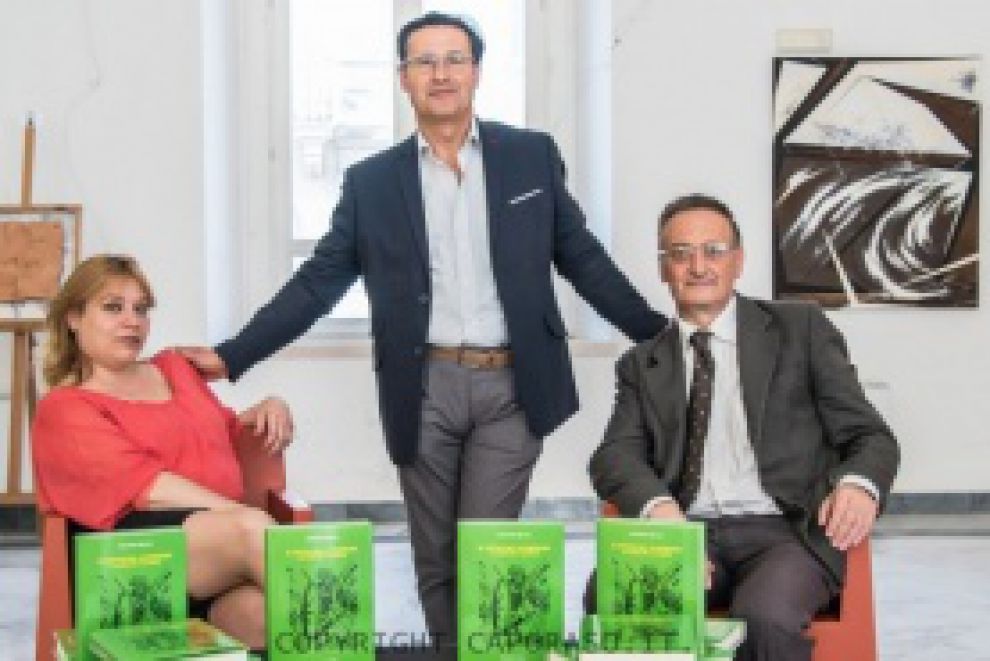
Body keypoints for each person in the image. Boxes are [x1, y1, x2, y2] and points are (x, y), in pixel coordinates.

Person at [178, 11, 666, 646]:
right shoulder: (372, 183)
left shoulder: (530, 157)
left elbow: (584, 260)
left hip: (513, 384)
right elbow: (317, 283)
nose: (441, 73)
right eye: (424, 61)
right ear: (403, 78)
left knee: (486, 551)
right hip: (423, 386)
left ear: (476, 73)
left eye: (455, 59)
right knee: (435, 558)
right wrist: (232, 354)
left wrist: (659, 337)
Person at [587, 194, 900, 661]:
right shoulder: (641, 363)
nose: (698, 267)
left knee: (764, 616)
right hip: (688, 529)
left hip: (786, 533)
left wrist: (858, 484)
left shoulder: (801, 329)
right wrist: (661, 513)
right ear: (663, 268)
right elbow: (614, 456)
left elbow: (870, 436)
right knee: (617, 595)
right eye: (681, 253)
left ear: (738, 260)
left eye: (713, 251)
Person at [31, 254, 294, 650]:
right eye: (113, 307)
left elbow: (218, 434)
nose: (132, 321)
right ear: (73, 318)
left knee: (267, 618)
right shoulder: (65, 407)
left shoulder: (175, 368)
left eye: (141, 309)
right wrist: (239, 516)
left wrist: (270, 405)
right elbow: (149, 488)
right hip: (134, 565)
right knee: (254, 532)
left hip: (214, 561)